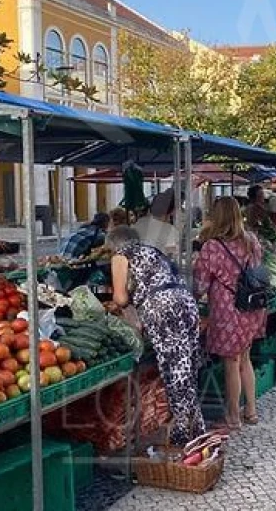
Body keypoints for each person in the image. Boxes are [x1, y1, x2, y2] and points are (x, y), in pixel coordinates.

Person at [107, 226, 205, 445]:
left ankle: (182, 433)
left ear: (114, 244)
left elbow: (121, 298)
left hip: (162, 308)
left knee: (174, 371)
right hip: (186, 303)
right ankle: (197, 428)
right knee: (186, 368)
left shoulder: (121, 256)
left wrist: (121, 306)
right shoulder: (151, 251)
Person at [194, 196, 267, 430]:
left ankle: (233, 416)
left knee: (231, 363)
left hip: (228, 310)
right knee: (245, 358)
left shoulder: (212, 246)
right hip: (252, 307)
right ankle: (252, 411)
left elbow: (200, 284)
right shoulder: (251, 240)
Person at [132, 190, 180, 258]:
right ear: (172, 211)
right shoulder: (170, 230)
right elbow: (172, 256)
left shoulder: (139, 223)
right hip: (159, 266)